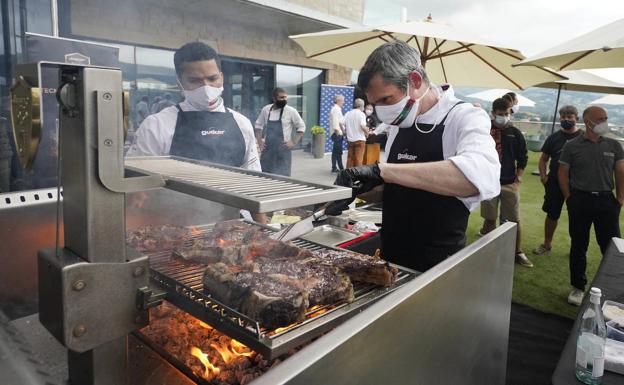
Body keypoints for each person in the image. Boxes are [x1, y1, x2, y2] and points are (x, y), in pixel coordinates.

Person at [328, 41, 500, 272]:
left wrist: (381, 170)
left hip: (437, 263)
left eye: (386, 100)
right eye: (375, 103)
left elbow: (479, 177)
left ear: (415, 82)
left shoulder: (464, 117)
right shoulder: (402, 121)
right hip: (390, 253)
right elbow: (403, 185)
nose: (381, 111)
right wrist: (360, 189)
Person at [558, 106, 623, 306]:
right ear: (588, 121)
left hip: (606, 201)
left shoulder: (614, 145)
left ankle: (615, 290)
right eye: (601, 118)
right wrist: (569, 198)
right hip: (580, 201)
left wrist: (620, 199)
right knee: (579, 245)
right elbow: (562, 173)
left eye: (606, 117)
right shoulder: (572, 145)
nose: (605, 121)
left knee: (612, 248)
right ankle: (578, 287)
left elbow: (620, 171)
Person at [479, 98, 530, 267]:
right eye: (500, 114)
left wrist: (518, 179)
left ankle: (518, 252)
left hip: (509, 183)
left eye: (506, 114)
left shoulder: (515, 133)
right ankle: (488, 252)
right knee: (490, 218)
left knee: (514, 221)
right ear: (493, 113)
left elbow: (523, 157)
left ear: (510, 113)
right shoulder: (485, 130)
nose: (504, 117)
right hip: (489, 183)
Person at [533, 105, 583, 255]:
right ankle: (547, 244)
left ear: (577, 119)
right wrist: (543, 176)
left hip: (577, 184)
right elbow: (543, 159)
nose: (566, 119)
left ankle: (578, 248)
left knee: (579, 216)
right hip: (554, 182)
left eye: (570, 117)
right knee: (552, 214)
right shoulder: (553, 138)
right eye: (563, 117)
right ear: (560, 118)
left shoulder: (584, 138)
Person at [254, 88, 305, 176]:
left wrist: (293, 142)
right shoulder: (266, 109)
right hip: (268, 151)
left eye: (285, 98)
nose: (284, 100)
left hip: (283, 150)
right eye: (281, 97)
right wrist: (259, 142)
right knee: (265, 176)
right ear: (274, 98)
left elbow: (301, 126)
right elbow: (258, 126)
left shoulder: (291, 111)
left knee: (283, 178)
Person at [344, 98, 369, 168]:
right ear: (362, 106)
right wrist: (367, 132)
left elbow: (341, 123)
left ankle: (348, 174)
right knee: (358, 159)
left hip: (350, 139)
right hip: (360, 139)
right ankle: (357, 175)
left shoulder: (348, 113)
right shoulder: (361, 114)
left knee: (350, 158)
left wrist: (344, 132)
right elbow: (362, 126)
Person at [330, 94, 345, 173]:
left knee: (335, 151)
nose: (343, 102)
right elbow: (336, 121)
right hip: (337, 133)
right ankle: (341, 168)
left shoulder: (336, 108)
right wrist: (338, 132)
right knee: (338, 151)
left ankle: (334, 167)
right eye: (343, 100)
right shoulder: (336, 109)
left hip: (337, 133)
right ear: (338, 100)